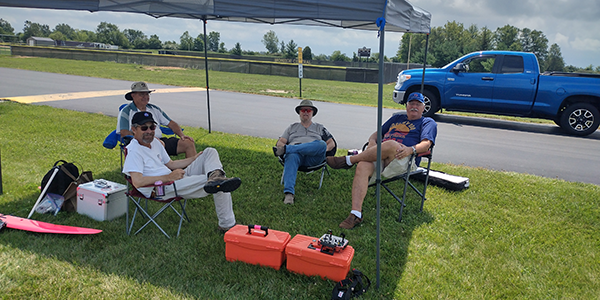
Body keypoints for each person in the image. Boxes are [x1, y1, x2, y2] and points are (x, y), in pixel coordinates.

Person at [327, 92, 437, 229]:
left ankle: (349, 160)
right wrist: (372, 143)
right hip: (380, 156)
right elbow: (376, 134)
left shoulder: (427, 122)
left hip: (403, 159)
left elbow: (426, 144)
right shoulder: (396, 118)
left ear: (423, 107)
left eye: (418, 104)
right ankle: (355, 214)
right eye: (411, 103)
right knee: (362, 166)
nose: (414, 106)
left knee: (391, 144)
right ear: (407, 106)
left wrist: (410, 150)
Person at [122, 111, 241, 232]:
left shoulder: (155, 142)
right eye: (144, 128)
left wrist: (194, 159)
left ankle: (214, 176)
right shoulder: (134, 151)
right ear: (134, 129)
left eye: (152, 127)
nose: (149, 131)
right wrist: (168, 177)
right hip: (161, 188)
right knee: (220, 183)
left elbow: (171, 164)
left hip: (175, 179)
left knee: (210, 152)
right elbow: (137, 182)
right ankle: (227, 225)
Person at [274, 100, 336, 204]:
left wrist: (318, 149)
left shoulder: (320, 127)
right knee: (292, 155)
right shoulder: (292, 127)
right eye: (303, 110)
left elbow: (331, 144)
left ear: (312, 113)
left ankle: (289, 149)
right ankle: (289, 194)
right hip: (296, 157)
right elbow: (280, 142)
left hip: (314, 158)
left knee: (321, 144)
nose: (306, 112)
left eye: (308, 110)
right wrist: (292, 148)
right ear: (299, 112)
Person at [117, 81, 197, 158]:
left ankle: (193, 170)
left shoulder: (154, 109)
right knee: (158, 146)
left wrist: (182, 136)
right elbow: (124, 132)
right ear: (133, 96)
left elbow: (172, 124)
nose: (145, 97)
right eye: (142, 94)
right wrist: (145, 140)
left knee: (188, 143)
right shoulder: (126, 111)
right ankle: (164, 170)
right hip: (141, 144)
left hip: (160, 141)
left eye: (147, 94)